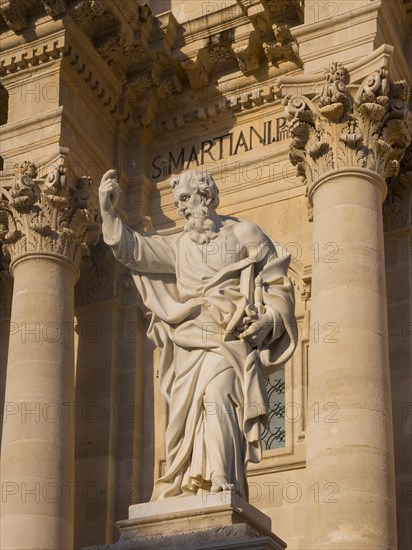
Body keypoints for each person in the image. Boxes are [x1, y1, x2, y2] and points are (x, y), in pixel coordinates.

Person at [99, 168, 297, 500]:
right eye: (180, 202)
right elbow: (134, 250)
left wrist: (271, 319)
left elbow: (276, 279)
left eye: (190, 198)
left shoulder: (242, 233)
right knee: (184, 417)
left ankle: (221, 477)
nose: (186, 208)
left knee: (217, 396)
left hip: (227, 337)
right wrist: (108, 213)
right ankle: (191, 479)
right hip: (188, 339)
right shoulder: (178, 246)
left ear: (208, 197)